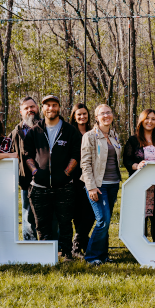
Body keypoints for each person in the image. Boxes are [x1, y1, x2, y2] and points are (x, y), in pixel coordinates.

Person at [23, 95, 82, 261]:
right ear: (43, 108)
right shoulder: (34, 131)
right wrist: (35, 172)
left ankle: (67, 254)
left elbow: (76, 154)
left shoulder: (70, 131)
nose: (51, 108)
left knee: (65, 222)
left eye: (54, 105)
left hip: (64, 186)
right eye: (47, 105)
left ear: (59, 107)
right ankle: (47, 256)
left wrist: (65, 174)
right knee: (42, 224)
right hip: (39, 187)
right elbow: (27, 154)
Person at [80, 104, 122, 265]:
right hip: (98, 185)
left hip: (113, 184)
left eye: (109, 112)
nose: (106, 115)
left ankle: (103, 256)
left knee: (107, 220)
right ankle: (91, 257)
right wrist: (90, 186)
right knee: (102, 220)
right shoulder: (89, 136)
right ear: (96, 117)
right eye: (102, 113)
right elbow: (85, 163)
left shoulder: (114, 135)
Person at [123, 109, 155, 242]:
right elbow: (126, 160)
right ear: (141, 121)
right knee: (139, 217)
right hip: (140, 186)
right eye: (147, 118)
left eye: (153, 119)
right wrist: (136, 166)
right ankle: (138, 247)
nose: (150, 121)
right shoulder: (133, 140)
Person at [8, 96, 40, 240]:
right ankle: (30, 243)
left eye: (32, 107)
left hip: (47, 178)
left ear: (37, 108)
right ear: (21, 112)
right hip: (26, 179)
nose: (30, 110)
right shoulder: (15, 133)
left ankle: (53, 244)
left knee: (50, 214)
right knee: (28, 214)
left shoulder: (46, 127)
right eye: (26, 108)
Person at [69, 103, 95, 258]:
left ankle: (79, 243)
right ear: (74, 116)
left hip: (90, 177)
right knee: (77, 213)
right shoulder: (70, 133)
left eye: (84, 114)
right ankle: (79, 246)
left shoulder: (93, 133)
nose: (82, 117)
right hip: (74, 177)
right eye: (79, 114)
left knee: (90, 212)